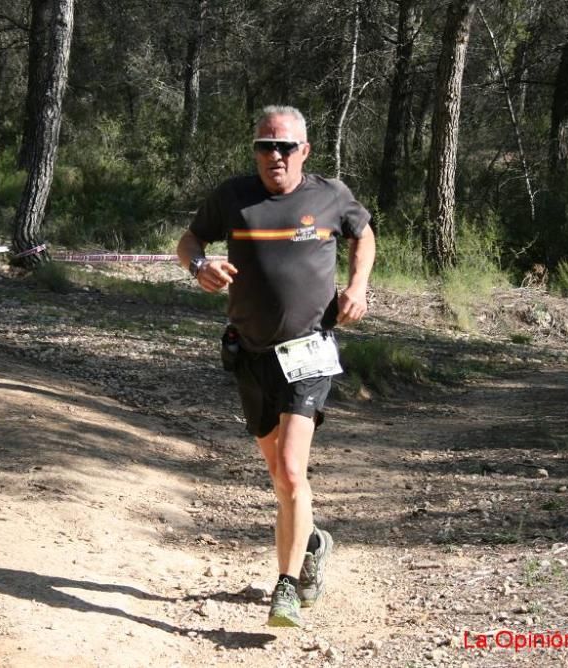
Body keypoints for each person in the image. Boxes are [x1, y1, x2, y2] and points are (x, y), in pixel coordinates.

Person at [177, 105, 375, 627]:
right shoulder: (233, 196)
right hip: (250, 353)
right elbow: (189, 241)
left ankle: (284, 587)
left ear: (304, 151)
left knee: (290, 471)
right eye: (265, 146)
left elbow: (364, 233)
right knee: (283, 481)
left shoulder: (330, 195)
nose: (275, 156)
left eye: (285, 146)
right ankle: (312, 542)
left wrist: (357, 286)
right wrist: (201, 266)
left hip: (308, 353)